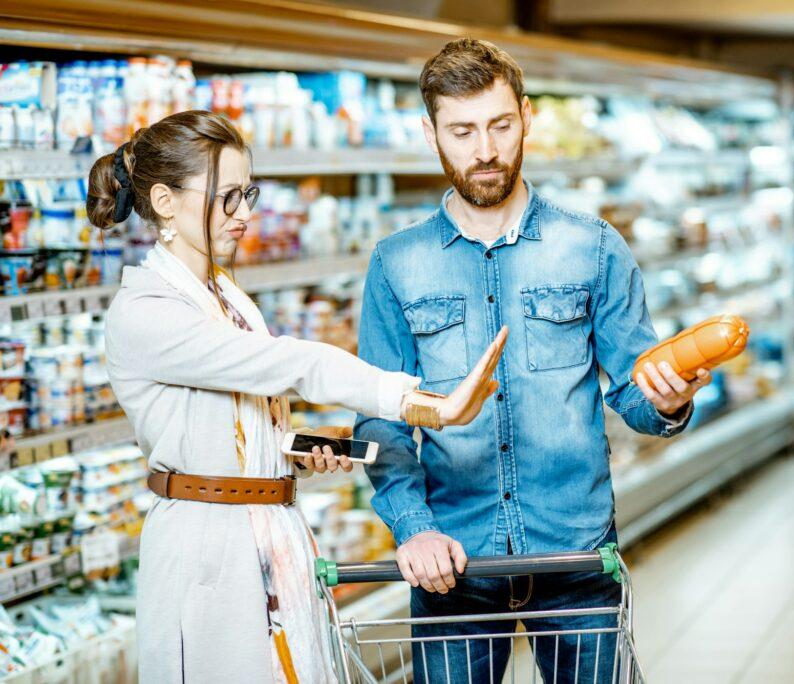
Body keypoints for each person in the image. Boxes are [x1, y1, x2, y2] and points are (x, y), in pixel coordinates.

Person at [88, 110, 507, 683]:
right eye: (225, 197)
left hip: (259, 530)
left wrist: (291, 450)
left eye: (248, 194)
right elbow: (291, 364)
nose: (243, 215)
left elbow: (229, 424)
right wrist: (423, 403)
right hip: (209, 551)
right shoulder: (145, 311)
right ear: (163, 200)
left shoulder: (226, 295)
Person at [354, 39, 712, 682]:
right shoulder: (395, 264)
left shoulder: (593, 246)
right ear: (430, 130)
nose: (484, 150)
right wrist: (413, 527)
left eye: (500, 125)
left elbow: (635, 389)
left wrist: (669, 399)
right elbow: (382, 422)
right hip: (453, 561)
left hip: (574, 556)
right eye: (461, 131)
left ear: (527, 116)